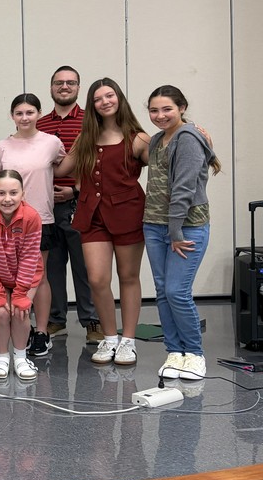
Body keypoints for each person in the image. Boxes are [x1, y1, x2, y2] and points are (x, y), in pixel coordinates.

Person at [56, 78, 150, 366]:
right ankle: (109, 338)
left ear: (119, 98)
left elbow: (165, 166)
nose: (105, 101)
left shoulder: (138, 137)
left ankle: (128, 341)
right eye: (98, 98)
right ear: (92, 105)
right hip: (92, 214)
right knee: (97, 279)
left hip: (128, 213)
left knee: (128, 277)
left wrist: (190, 132)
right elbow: (60, 169)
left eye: (110, 95)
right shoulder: (85, 138)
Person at [144, 86, 219, 382]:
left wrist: (175, 231)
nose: (160, 116)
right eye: (154, 110)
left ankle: (195, 354)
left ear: (182, 107)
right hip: (153, 224)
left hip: (185, 227)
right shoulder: (156, 140)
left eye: (167, 109)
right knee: (163, 292)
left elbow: (184, 189)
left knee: (177, 291)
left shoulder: (188, 138)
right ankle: (174, 351)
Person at [0, 94, 65, 358]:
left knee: (39, 276)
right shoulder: (2, 146)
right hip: (6, 222)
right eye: (19, 113)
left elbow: (64, 165)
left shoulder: (51, 143)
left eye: (30, 112)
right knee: (9, 277)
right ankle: (14, 327)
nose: (25, 118)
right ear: (12, 116)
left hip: (40, 219)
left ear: (39, 114)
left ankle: (42, 332)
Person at [36, 66, 102, 346]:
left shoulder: (92, 121)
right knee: (51, 267)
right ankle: (55, 320)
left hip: (80, 203)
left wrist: (75, 189)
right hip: (46, 206)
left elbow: (101, 164)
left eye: (70, 83)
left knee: (85, 266)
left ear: (78, 87)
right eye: (59, 83)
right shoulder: (38, 124)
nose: (64, 87)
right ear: (51, 87)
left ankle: (92, 321)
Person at [0, 170, 44, 381]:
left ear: (22, 194)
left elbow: (31, 257)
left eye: (13, 193)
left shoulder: (32, 217)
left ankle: (21, 357)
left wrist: (21, 292)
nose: (7, 199)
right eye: (1, 193)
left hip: (27, 275)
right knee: (0, 312)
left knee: (20, 311)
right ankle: (3, 356)